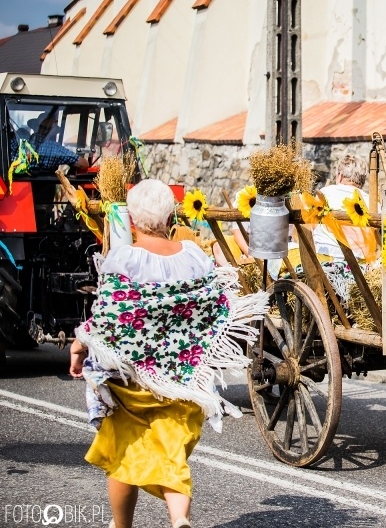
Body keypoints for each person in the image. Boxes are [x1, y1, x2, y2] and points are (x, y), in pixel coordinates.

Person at [69, 179, 267, 528]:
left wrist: (78, 346)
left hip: (133, 384)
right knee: (171, 452)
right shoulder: (193, 254)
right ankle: (178, 519)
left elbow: (108, 318)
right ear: (171, 215)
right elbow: (214, 308)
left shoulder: (121, 258)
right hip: (183, 381)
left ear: (130, 218)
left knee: (125, 452)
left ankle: (122, 525)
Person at [311, 153, 371, 261]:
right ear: (362, 180)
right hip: (358, 264)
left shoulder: (324, 193)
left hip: (323, 259)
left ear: (340, 176)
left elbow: (311, 227)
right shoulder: (371, 202)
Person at [16, 112, 89, 170]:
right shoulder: (56, 148)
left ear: (34, 127)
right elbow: (83, 164)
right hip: (45, 186)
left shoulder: (20, 141)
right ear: (53, 132)